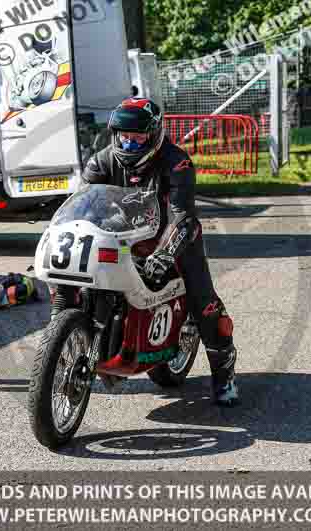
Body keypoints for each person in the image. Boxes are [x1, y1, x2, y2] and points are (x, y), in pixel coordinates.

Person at [53, 97, 240, 407]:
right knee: (71, 281)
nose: (129, 142)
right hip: (122, 235)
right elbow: (82, 208)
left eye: (137, 136)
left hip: (173, 237)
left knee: (205, 305)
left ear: (154, 135)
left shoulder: (176, 162)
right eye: (123, 135)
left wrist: (164, 255)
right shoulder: (100, 161)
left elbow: (182, 216)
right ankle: (63, 350)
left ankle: (224, 376)